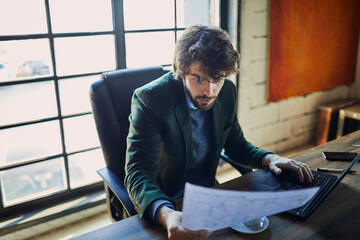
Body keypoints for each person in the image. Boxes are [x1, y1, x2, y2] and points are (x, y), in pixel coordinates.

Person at [124, 25, 313, 240]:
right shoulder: (151, 99)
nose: (209, 91)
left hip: (208, 198)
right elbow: (138, 173)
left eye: (218, 78)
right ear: (181, 71)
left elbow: (236, 144)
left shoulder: (227, 93)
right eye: (198, 79)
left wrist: (270, 158)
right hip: (167, 203)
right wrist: (167, 215)